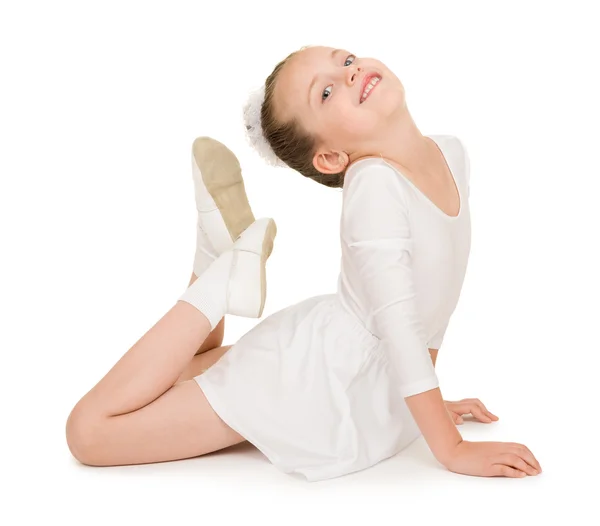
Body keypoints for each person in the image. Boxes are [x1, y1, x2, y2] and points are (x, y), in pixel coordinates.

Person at [65, 45, 542, 482]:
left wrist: (420, 406)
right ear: (332, 157)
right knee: (89, 433)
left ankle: (215, 262)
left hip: (336, 370)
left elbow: (438, 293)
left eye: (346, 60)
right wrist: (450, 448)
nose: (351, 73)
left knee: (188, 372)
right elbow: (400, 326)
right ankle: (215, 283)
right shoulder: (375, 188)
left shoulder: (450, 152)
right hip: (314, 387)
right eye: (328, 91)